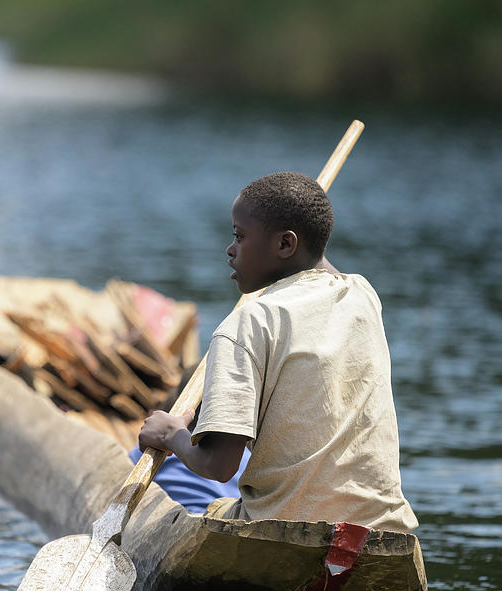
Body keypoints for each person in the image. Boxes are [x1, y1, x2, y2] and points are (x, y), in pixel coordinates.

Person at [139, 172, 418, 532]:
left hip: (281, 527)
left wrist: (171, 434)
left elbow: (219, 466)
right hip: (383, 527)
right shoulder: (364, 296)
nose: (230, 248)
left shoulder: (245, 323)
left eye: (240, 235)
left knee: (200, 514)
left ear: (286, 245)